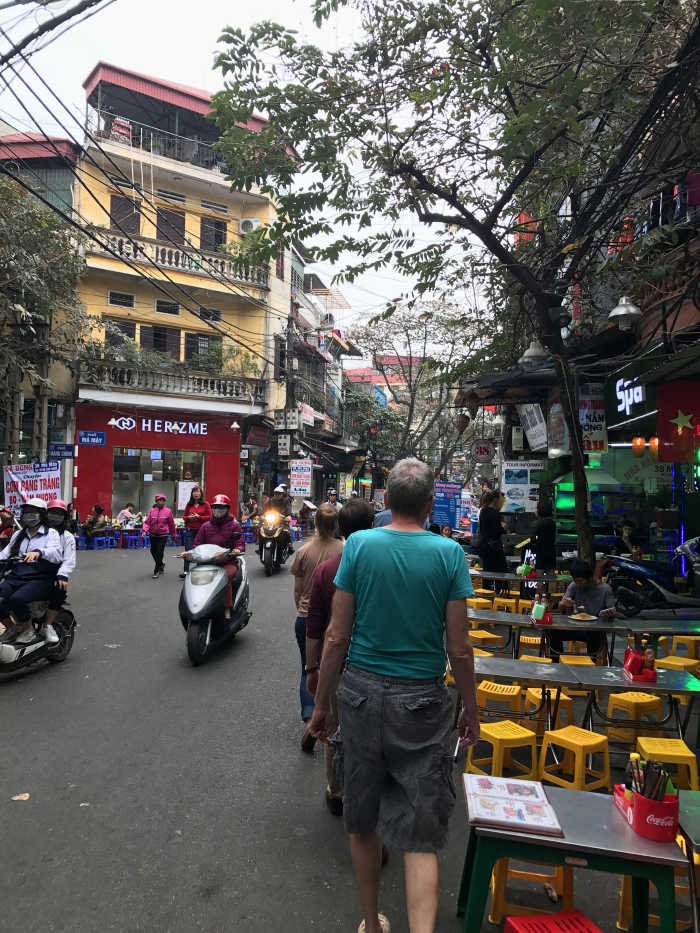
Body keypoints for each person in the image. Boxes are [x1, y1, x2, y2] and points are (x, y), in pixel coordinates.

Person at [309, 458, 479, 933]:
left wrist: (323, 705)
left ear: (386, 502)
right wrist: (470, 708)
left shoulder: (360, 546)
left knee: (361, 819)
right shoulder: (448, 554)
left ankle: (371, 921)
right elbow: (459, 649)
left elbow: (337, 637)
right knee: (420, 834)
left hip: (360, 696)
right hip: (423, 702)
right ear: (429, 505)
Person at [305, 498, 375, 815]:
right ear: (373, 526)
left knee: (334, 729)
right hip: (376, 664)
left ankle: (337, 789)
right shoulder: (386, 565)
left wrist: (312, 667)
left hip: (337, 666)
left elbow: (317, 628)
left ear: (340, 528)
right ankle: (368, 788)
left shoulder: (327, 569)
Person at [290, 504, 343, 748]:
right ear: (335, 525)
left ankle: (311, 716)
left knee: (308, 669)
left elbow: (298, 591)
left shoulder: (303, 551)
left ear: (315, 523)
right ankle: (331, 718)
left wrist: (303, 612)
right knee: (333, 669)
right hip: (336, 618)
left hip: (307, 619)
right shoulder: (343, 550)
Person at [0, 498, 63, 643]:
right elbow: (5, 554)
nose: (29, 515)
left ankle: (28, 629)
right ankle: (13, 629)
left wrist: (40, 552)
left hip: (39, 577)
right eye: (26, 512)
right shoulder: (18, 535)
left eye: (33, 512)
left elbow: (56, 554)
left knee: (17, 599)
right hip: (17, 575)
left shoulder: (51, 533)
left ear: (42, 514)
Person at [189, 494, 244, 621]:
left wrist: (237, 550)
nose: (218, 510)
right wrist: (190, 553)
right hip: (207, 563)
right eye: (216, 507)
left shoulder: (234, 525)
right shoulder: (205, 526)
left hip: (228, 562)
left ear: (227, 509)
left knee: (225, 577)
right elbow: (196, 544)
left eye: (222, 507)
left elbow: (240, 543)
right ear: (212, 508)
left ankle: (227, 607)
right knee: (194, 577)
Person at [550, 558, 616, 662]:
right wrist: (562, 604)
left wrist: (608, 613)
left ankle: (591, 666)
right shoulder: (574, 586)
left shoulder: (605, 589)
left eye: (581, 581)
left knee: (594, 635)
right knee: (553, 631)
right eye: (576, 581)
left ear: (589, 577)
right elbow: (561, 606)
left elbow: (612, 612)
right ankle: (555, 663)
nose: (578, 584)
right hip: (576, 626)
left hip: (595, 629)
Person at [42, 499, 76, 644]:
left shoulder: (67, 537)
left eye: (58, 513)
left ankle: (47, 624)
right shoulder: (36, 531)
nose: (55, 516)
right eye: (52, 513)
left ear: (64, 516)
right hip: (32, 571)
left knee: (59, 589)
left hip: (55, 573)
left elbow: (69, 559)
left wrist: (62, 574)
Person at [477, 489, 507, 593]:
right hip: (494, 548)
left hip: (484, 547)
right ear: (495, 500)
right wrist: (503, 528)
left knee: (487, 573)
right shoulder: (495, 513)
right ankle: (499, 594)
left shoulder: (483, 511)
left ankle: (486, 596)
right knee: (501, 572)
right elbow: (496, 531)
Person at [142, 494, 176, 579]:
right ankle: (161, 564)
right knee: (153, 551)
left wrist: (173, 535)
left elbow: (171, 524)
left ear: (164, 502)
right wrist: (144, 531)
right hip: (152, 534)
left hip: (163, 535)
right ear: (156, 502)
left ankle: (156, 570)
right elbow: (147, 522)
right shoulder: (152, 511)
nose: (161, 502)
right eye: (159, 500)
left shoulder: (168, 511)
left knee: (160, 551)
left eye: (163, 500)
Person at [181, 486, 211, 578]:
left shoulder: (206, 504)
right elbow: (184, 517)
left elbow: (210, 517)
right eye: (194, 492)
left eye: (197, 492)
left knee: (200, 551)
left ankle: (199, 569)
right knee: (188, 550)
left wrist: (199, 517)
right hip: (190, 530)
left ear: (201, 493)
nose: (196, 494)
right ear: (192, 494)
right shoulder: (189, 504)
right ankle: (186, 571)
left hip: (201, 531)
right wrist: (188, 518)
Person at [532, 500, 557, 574]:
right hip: (551, 551)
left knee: (539, 576)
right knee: (551, 576)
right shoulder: (552, 523)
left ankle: (541, 586)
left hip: (541, 551)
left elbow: (533, 538)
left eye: (537, 509)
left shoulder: (537, 524)